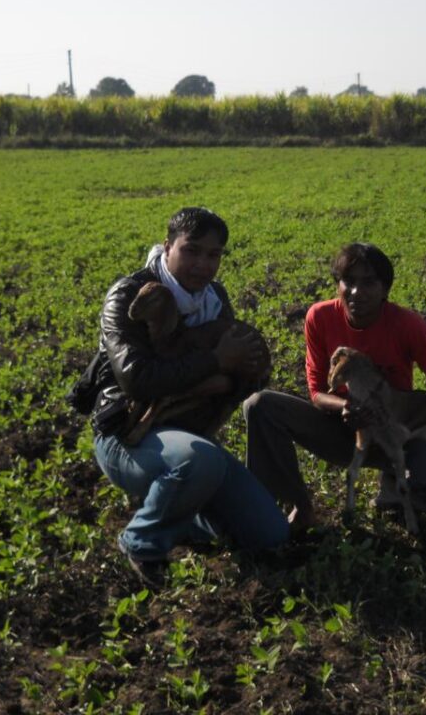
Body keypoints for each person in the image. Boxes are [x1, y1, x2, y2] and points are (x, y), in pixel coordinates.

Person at [89, 207, 288, 586]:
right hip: (127, 435)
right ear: (167, 247)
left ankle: (176, 510)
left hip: (186, 433)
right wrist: (214, 362)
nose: (202, 265)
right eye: (191, 250)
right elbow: (137, 379)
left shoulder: (215, 297)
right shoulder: (129, 295)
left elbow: (246, 372)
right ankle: (142, 542)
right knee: (201, 460)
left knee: (269, 534)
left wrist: (222, 380)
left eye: (213, 255)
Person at [243, 242, 426, 533]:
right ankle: (293, 507)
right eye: (348, 281)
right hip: (339, 428)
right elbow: (316, 392)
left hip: (393, 435)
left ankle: (393, 495)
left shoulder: (406, 325)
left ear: (386, 289)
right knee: (260, 405)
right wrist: (346, 407)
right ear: (337, 284)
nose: (356, 292)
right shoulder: (320, 317)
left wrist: (403, 422)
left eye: (369, 282)